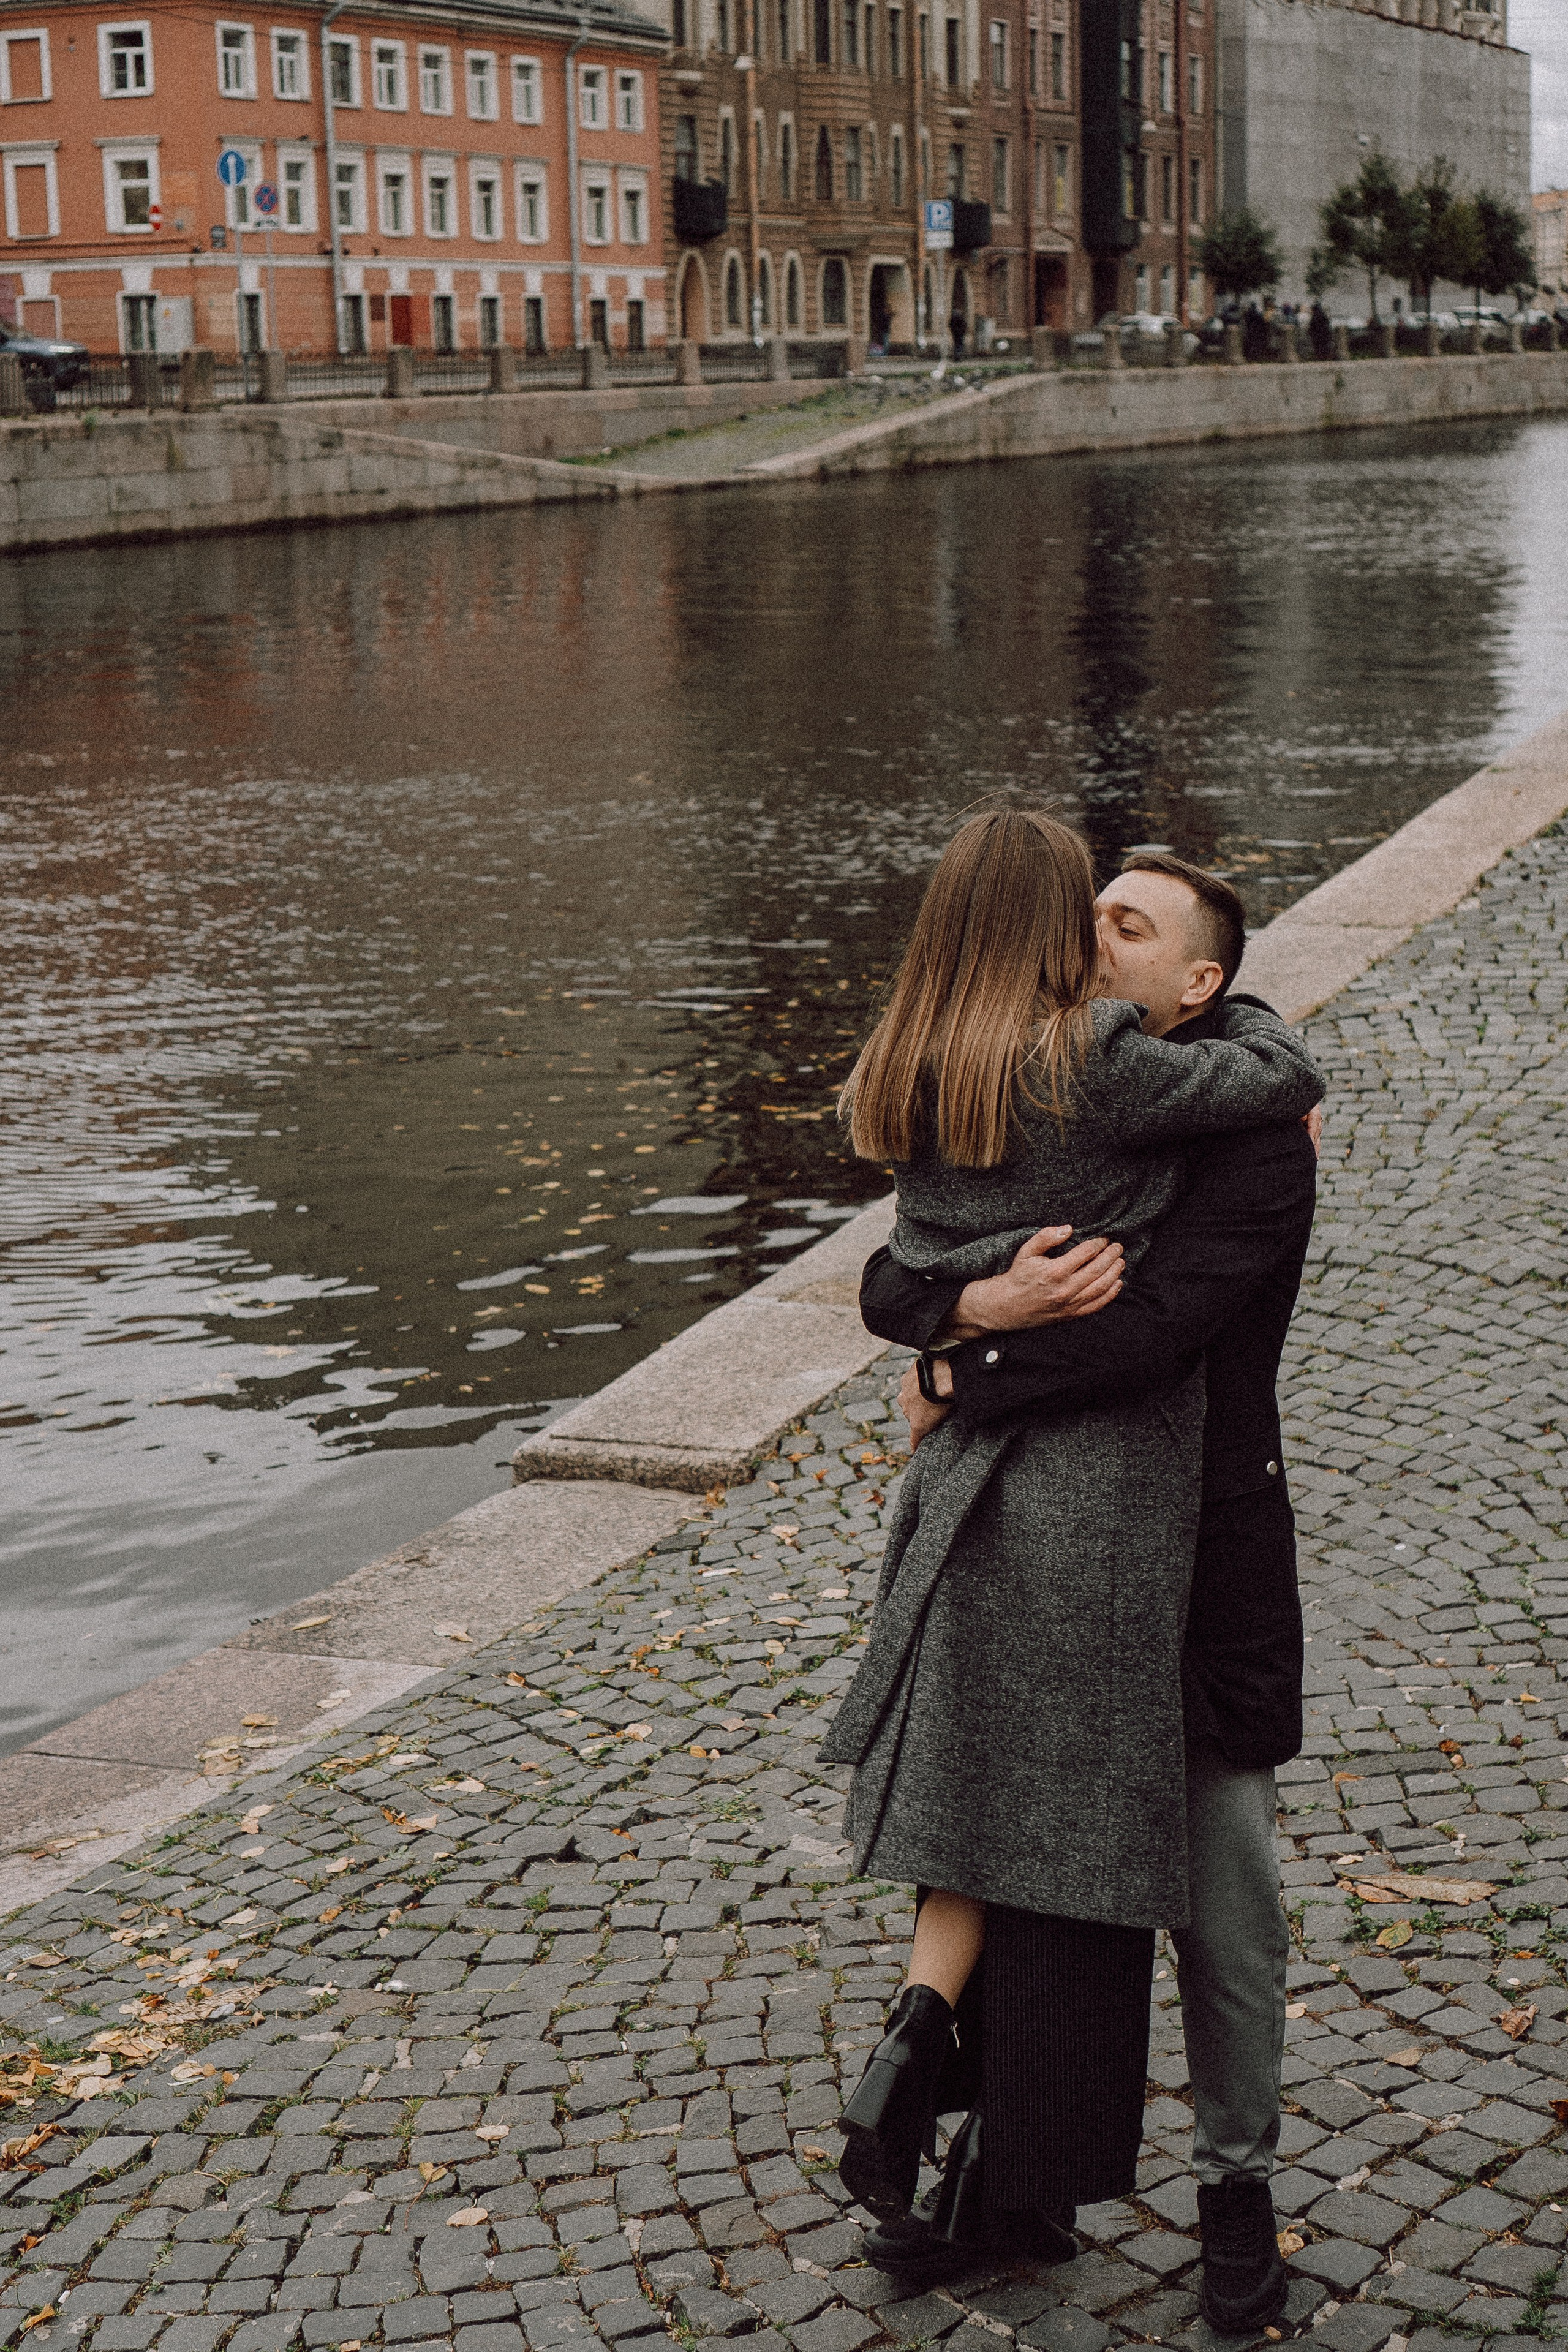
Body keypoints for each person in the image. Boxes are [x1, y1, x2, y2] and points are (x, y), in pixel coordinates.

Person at [821, 812, 1324, 2297]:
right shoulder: (1096, 1075)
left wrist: (948, 1372)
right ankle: (1008, 2187)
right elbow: (889, 1273)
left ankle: (1232, 2190)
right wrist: (963, 1323)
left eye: (1132, 927)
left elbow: (1151, 1331)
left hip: (1200, 1553)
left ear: (1195, 986)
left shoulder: (1231, 1139)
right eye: (1089, 912)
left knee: (1220, 1906)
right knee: (1037, 1863)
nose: (1097, 936)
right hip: (1056, 1531)